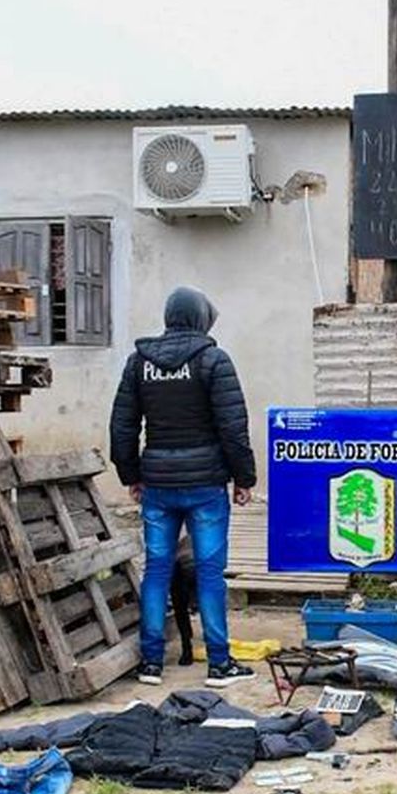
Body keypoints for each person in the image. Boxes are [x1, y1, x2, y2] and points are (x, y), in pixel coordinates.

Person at [109, 286, 256, 688]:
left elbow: (122, 425)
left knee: (156, 570)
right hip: (206, 485)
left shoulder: (139, 363)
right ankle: (220, 664)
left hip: (157, 483)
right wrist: (244, 478)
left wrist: (130, 475)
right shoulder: (214, 361)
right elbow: (233, 427)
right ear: (200, 318)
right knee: (210, 573)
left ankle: (151, 663)